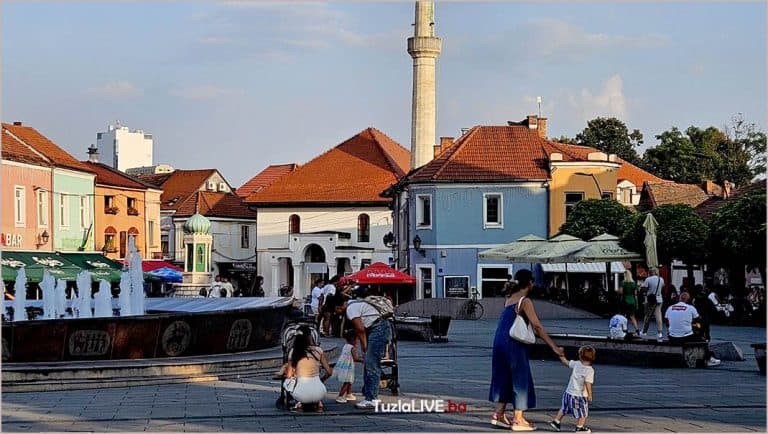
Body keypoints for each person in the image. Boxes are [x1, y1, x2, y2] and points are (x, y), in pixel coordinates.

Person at [489, 269, 564, 431]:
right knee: (519, 379)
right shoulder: (525, 301)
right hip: (514, 343)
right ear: (530, 283)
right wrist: (554, 347)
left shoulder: (509, 299)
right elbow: (537, 326)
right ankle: (518, 419)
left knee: (504, 376)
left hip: (499, 342)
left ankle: (499, 414)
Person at [337, 285, 394, 410]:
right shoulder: (356, 304)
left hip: (378, 329)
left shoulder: (351, 309)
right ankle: (369, 395)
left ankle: (371, 399)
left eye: (337, 310)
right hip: (379, 327)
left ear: (340, 306)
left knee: (371, 364)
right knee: (370, 363)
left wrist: (364, 346)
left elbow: (360, 329)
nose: (338, 313)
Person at [664, 292, 721, 367]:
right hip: (686, 337)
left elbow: (667, 322)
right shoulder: (691, 308)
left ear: (679, 299)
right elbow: (699, 320)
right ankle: (708, 358)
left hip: (672, 336)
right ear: (688, 300)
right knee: (701, 337)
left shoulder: (670, 308)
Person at [285, 325, 333, 412]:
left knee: (287, 383)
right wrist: (322, 379)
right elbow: (329, 372)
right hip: (320, 392)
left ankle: (299, 403)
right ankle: (318, 403)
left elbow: (289, 375)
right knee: (315, 386)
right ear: (310, 337)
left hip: (301, 393)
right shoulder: (318, 350)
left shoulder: (293, 352)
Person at [549, 346, 596, 433]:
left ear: (580, 356)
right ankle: (579, 427)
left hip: (568, 393)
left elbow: (565, 362)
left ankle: (556, 421)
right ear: (593, 357)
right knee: (583, 412)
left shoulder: (577, 364)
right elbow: (587, 383)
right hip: (579, 396)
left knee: (564, 408)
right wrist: (590, 395)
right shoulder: (589, 370)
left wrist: (561, 355)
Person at [334, 329, 364, 403]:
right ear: (353, 339)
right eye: (356, 339)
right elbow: (355, 358)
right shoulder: (352, 348)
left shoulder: (345, 346)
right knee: (347, 382)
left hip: (344, 367)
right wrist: (363, 360)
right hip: (348, 368)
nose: (357, 342)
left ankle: (349, 394)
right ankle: (340, 396)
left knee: (349, 381)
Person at [640, 267, 665, 341]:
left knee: (648, 315)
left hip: (650, 300)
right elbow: (663, 287)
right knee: (658, 315)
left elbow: (644, 289)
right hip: (659, 299)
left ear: (650, 272)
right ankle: (660, 332)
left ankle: (644, 331)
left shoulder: (648, 279)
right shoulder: (661, 279)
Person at [618, 270, 639, 335]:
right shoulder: (633, 283)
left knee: (624, 316)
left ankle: (625, 329)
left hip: (625, 300)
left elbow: (621, 292)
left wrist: (619, 291)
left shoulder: (623, 282)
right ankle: (637, 330)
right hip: (632, 300)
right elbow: (635, 294)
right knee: (632, 316)